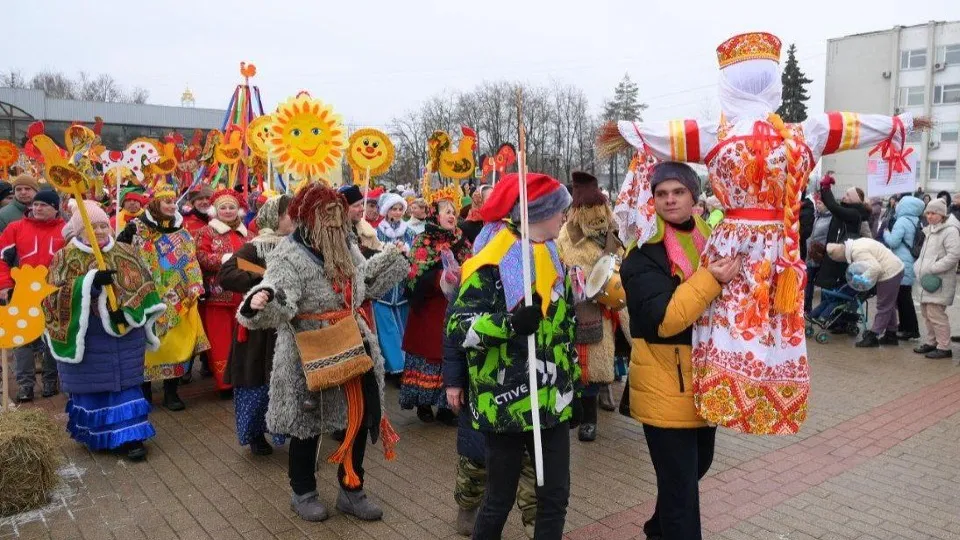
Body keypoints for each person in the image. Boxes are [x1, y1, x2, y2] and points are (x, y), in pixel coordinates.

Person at [609, 31, 924, 434]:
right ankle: (765, 398)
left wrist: (626, 130)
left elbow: (659, 134)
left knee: (724, 317)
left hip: (732, 244)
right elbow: (853, 126)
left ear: (727, 84)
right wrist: (901, 124)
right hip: (780, 250)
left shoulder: (714, 135)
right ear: (773, 81)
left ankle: (720, 392)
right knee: (773, 322)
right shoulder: (803, 133)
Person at [237, 183, 409, 522]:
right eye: (325, 216)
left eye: (336, 215)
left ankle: (352, 488)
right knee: (307, 423)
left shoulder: (346, 246)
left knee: (356, 420)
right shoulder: (288, 254)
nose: (333, 223)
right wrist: (262, 299)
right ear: (307, 219)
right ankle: (303, 492)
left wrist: (392, 259)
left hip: (352, 340)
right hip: (307, 348)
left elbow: (364, 283)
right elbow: (280, 293)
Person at [446, 172, 580, 539]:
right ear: (537, 212)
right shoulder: (491, 261)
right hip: (503, 402)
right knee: (499, 499)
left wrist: (574, 390)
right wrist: (509, 324)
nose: (563, 219)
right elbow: (459, 328)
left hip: (551, 400)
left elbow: (564, 330)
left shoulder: (553, 255)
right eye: (559, 212)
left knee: (554, 497)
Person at [620, 161, 740, 540]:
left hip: (706, 382)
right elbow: (666, 319)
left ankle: (657, 529)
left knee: (693, 470)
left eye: (678, 192)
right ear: (652, 200)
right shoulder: (642, 254)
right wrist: (712, 279)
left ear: (694, 196)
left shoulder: (714, 240)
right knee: (681, 491)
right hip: (665, 384)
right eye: (661, 194)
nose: (670, 200)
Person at [42, 200, 165, 461]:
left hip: (124, 333)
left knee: (126, 387)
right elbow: (52, 295)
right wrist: (88, 285)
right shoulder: (65, 256)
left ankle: (132, 438)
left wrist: (129, 311)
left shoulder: (124, 250)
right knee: (95, 388)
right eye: (91, 227)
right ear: (79, 231)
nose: (98, 231)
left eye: (102, 225)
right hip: (89, 336)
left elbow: (143, 285)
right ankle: (99, 435)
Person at [117, 185, 209, 410]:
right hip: (146, 295)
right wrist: (123, 238)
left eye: (173, 201)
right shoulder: (136, 228)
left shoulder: (182, 231)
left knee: (174, 344)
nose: (171, 205)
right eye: (165, 201)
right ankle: (145, 392)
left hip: (175, 297)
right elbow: (120, 256)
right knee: (146, 346)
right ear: (155, 203)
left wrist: (196, 285)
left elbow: (190, 260)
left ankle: (171, 392)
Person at [556, 171, 630, 442]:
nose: (597, 213)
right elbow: (560, 267)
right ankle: (587, 419)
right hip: (584, 309)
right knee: (586, 368)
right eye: (590, 208)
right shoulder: (567, 236)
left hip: (614, 306)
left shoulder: (612, 233)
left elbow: (622, 261)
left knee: (616, 358)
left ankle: (610, 399)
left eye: (600, 207)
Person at [219, 194, 293, 456]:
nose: (294, 217)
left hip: (287, 327)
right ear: (275, 218)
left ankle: (290, 429)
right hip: (257, 331)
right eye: (288, 213)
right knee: (255, 381)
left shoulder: (298, 246)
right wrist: (262, 281)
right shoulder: (255, 247)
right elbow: (226, 274)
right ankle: (255, 434)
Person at [399, 198, 472, 425]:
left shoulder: (461, 240)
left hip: (453, 308)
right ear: (435, 216)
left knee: (448, 355)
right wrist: (439, 278)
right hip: (428, 310)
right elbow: (414, 275)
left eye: (454, 212)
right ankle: (423, 402)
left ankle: (446, 407)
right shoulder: (424, 241)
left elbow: (473, 264)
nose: (452, 216)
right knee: (427, 356)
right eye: (446, 212)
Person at [0, 189, 64, 402]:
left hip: (53, 292)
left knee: (51, 338)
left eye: (43, 205)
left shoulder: (65, 231)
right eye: (35, 205)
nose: (37, 208)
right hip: (22, 293)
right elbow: (2, 259)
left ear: (55, 208)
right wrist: (5, 284)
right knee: (22, 340)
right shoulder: (15, 228)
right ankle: (25, 385)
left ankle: (50, 380)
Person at [195, 189, 250, 398]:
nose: (227, 211)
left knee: (243, 339)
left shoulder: (248, 234)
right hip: (218, 296)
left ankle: (241, 378)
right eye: (223, 207)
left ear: (239, 210)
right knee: (220, 342)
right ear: (215, 210)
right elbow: (200, 256)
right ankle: (225, 384)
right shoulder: (206, 232)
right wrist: (226, 258)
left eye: (232, 207)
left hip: (244, 295)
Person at [825, 239, 904, 347]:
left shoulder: (857, 252)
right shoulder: (856, 244)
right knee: (888, 304)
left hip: (890, 272)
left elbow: (876, 268)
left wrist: (862, 278)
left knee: (883, 306)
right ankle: (891, 335)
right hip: (894, 267)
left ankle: (873, 336)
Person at [373, 193, 414, 378]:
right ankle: (396, 369)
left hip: (403, 287)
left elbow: (416, 254)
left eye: (400, 209)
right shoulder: (377, 232)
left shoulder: (409, 231)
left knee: (404, 328)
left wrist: (407, 251)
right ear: (385, 211)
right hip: (384, 289)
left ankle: (406, 365)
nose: (397, 213)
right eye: (393, 209)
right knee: (388, 331)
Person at [913, 198, 960, 359]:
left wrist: (932, 268)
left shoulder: (950, 230)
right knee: (927, 313)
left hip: (940, 280)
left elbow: (954, 256)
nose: (930, 216)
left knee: (937, 315)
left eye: (933, 213)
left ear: (942, 214)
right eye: (928, 213)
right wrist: (918, 266)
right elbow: (925, 254)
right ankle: (932, 342)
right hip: (928, 279)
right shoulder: (931, 229)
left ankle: (944, 347)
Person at [815, 175, 871, 292]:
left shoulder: (854, 213)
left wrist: (826, 187)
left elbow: (833, 207)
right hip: (833, 255)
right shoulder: (847, 209)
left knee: (832, 294)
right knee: (827, 291)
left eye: (847, 195)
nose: (844, 197)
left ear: (854, 199)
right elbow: (830, 204)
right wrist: (824, 187)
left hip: (840, 259)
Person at [882, 195, 924, 341]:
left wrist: (886, 232)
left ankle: (911, 329)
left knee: (903, 299)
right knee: (904, 297)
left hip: (901, 263)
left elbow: (893, 242)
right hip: (910, 261)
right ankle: (906, 326)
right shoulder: (917, 221)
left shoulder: (902, 221)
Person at [804, 195, 831, 313]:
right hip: (811, 255)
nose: (818, 206)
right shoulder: (816, 216)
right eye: (817, 203)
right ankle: (807, 308)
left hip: (822, 256)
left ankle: (821, 311)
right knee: (808, 282)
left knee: (823, 284)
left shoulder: (831, 219)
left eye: (820, 203)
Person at [339, 185, 383, 257]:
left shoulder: (368, 231)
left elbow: (380, 251)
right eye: (356, 205)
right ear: (344, 209)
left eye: (362, 204)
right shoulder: (336, 235)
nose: (362, 209)